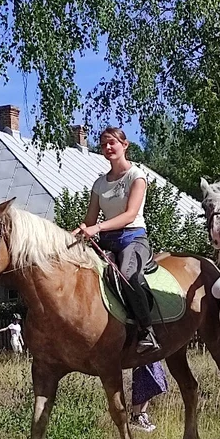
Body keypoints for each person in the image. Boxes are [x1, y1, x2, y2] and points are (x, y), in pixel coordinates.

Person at [74, 127, 160, 354]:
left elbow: (130, 215)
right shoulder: (99, 184)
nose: (108, 148)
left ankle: (147, 331)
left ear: (125, 145)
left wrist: (98, 227)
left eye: (112, 143)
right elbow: (90, 219)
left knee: (127, 275)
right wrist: (80, 230)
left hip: (133, 238)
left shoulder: (136, 176)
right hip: (107, 243)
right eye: (103, 144)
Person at [130, 362, 168, 432]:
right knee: (139, 381)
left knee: (149, 382)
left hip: (148, 356)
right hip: (138, 357)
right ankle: (136, 417)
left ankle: (142, 414)